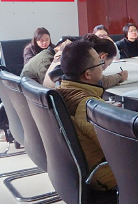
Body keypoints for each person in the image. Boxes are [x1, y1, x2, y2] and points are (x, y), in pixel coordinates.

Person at [56, 40, 117, 191]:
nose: (102, 66)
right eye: (99, 63)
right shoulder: (87, 105)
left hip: (72, 172)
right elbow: (116, 148)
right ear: (88, 75)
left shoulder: (61, 92)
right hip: (104, 175)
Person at [45, 35, 127, 89]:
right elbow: (99, 81)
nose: (103, 69)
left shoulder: (72, 50)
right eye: (108, 64)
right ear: (103, 57)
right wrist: (120, 76)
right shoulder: (75, 58)